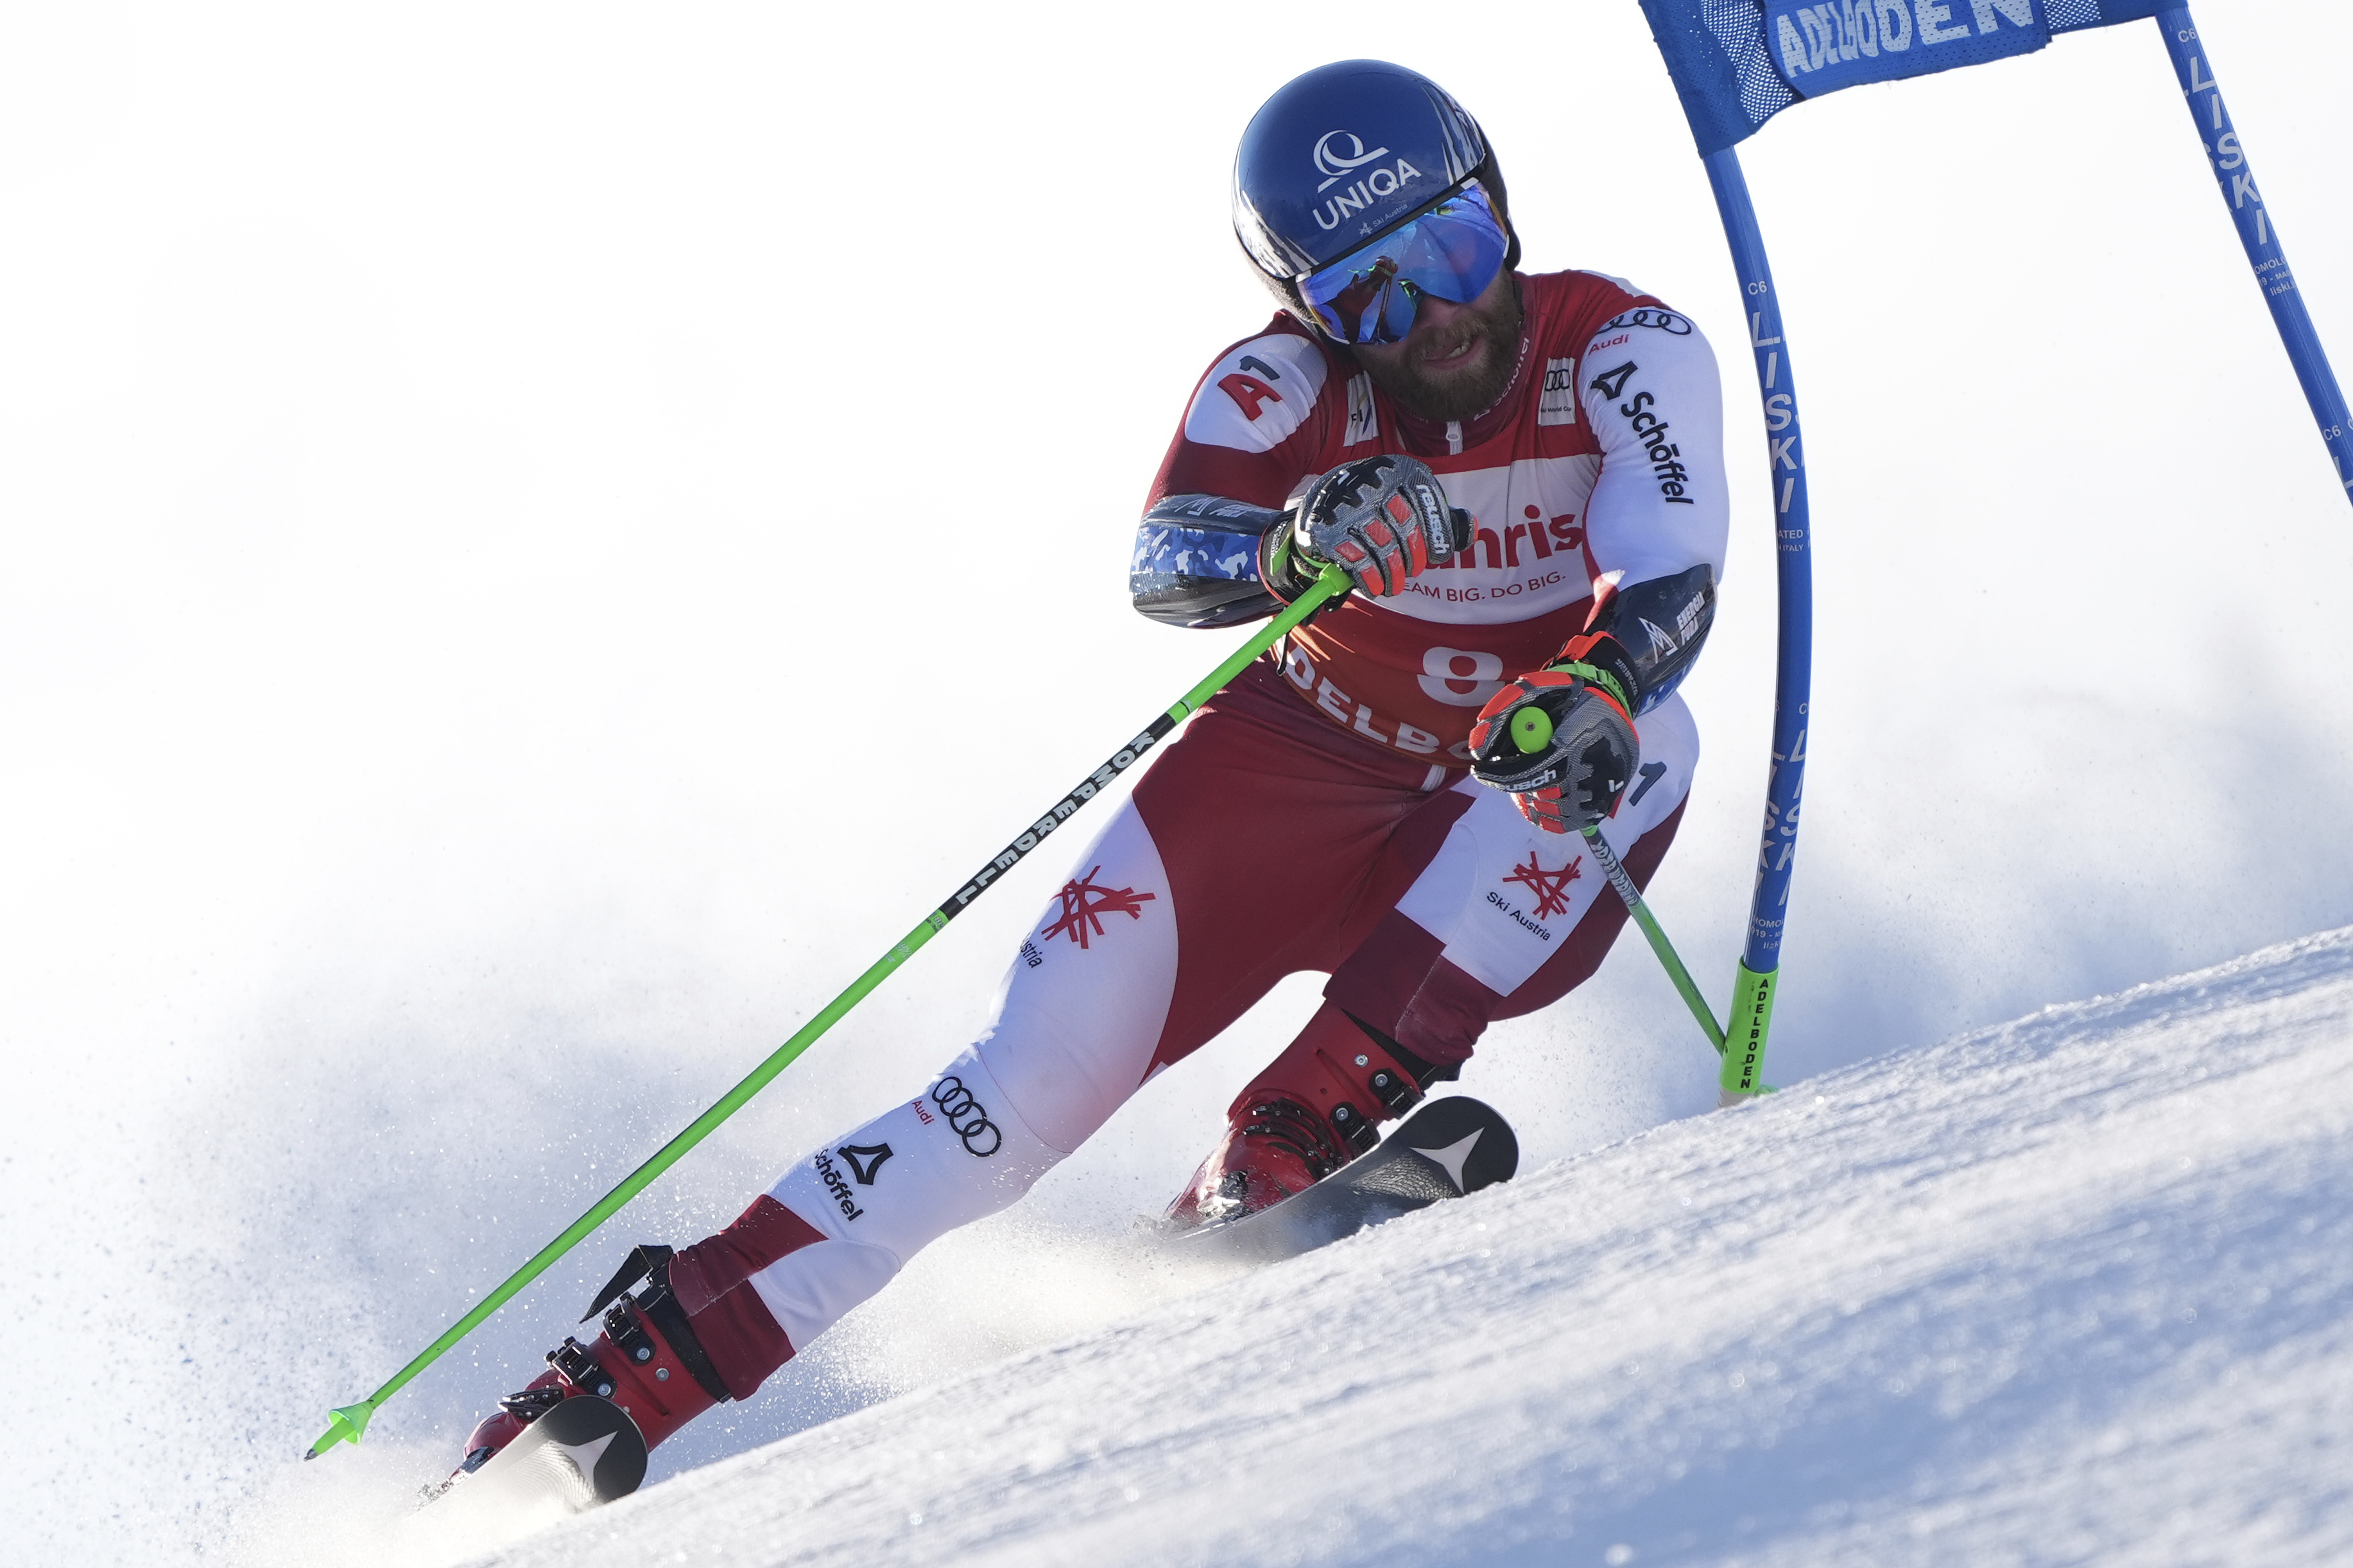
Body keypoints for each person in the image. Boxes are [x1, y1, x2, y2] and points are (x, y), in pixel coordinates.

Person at [451, 57, 1730, 1473]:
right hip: (1288, 773)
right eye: (1370, 293)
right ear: (1309, 309)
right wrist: (1292, 542)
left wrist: (1599, 685)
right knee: (1014, 1101)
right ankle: (621, 1377)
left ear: (1500, 210)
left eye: (1451, 247)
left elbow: (1673, 569)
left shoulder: (1624, 348)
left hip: (1511, 787)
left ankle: (1283, 1137)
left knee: (1652, 736)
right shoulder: (1277, 387)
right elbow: (1167, 558)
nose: (1432, 315)